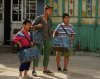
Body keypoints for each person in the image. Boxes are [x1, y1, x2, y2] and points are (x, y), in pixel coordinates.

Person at [31, 4, 53, 76]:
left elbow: (50, 29)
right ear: (45, 10)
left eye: (51, 10)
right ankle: (33, 70)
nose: (50, 11)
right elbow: (31, 26)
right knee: (37, 53)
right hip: (39, 38)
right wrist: (37, 26)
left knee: (47, 54)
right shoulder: (39, 18)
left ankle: (45, 69)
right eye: (49, 10)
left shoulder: (50, 20)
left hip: (48, 39)